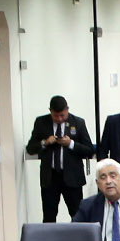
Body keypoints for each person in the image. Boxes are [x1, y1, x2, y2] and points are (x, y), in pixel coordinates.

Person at [25, 95, 93, 223]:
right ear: (50, 111)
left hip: (72, 178)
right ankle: (49, 237)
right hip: (50, 178)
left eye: (62, 115)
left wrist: (71, 144)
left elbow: (89, 150)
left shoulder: (78, 122)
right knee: (49, 216)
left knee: (77, 215)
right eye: (56, 116)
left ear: (67, 109)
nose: (60, 119)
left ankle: (79, 237)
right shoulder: (41, 122)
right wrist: (45, 142)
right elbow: (30, 148)